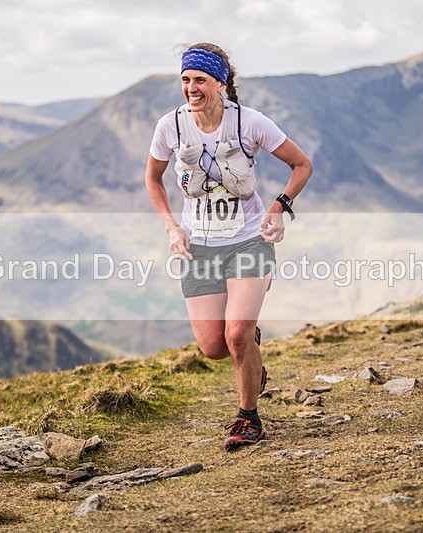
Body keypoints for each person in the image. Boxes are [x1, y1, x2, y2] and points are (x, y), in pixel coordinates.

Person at [145, 43, 313, 450]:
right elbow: (153, 179)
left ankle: (248, 416)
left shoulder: (249, 123)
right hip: (198, 248)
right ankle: (250, 350)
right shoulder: (170, 126)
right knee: (214, 347)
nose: (191, 88)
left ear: (220, 84)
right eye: (186, 79)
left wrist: (279, 207)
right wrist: (171, 227)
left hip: (247, 242)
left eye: (200, 80)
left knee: (236, 333)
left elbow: (301, 164)